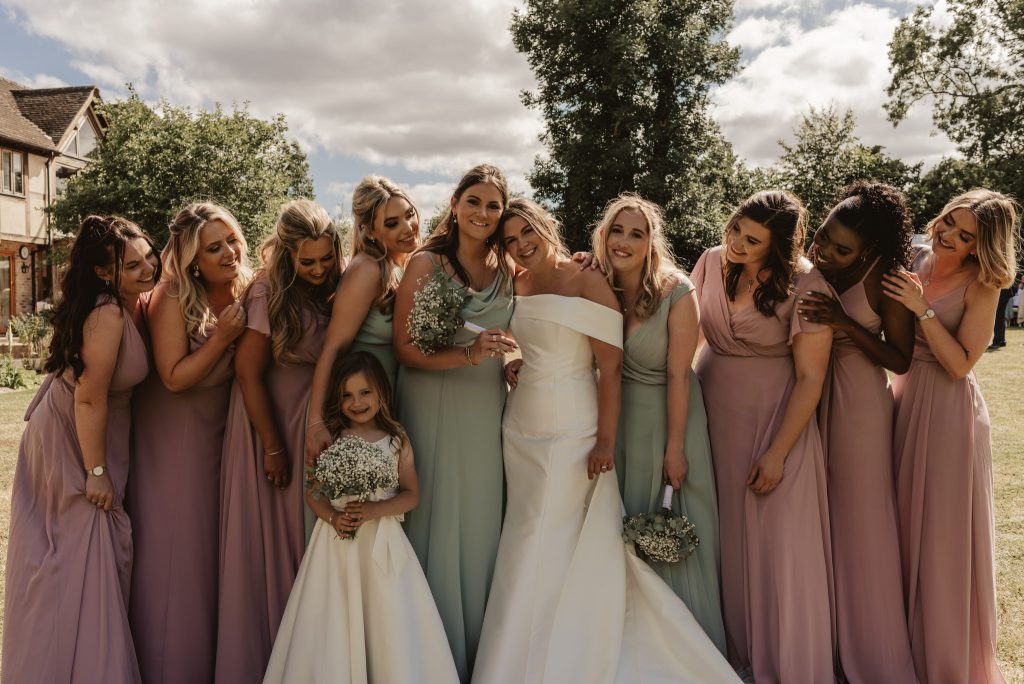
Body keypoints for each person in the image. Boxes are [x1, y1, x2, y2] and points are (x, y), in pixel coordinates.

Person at [473, 198, 740, 684]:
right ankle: (521, 639)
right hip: (522, 426)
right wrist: (508, 361)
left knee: (554, 532)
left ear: (545, 225)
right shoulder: (520, 282)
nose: (520, 244)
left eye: (526, 232)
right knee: (526, 532)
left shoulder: (592, 281)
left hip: (575, 424)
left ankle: (565, 646)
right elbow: (520, 338)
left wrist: (603, 442)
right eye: (509, 240)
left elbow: (610, 369)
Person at [2, 216, 158, 683]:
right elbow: (89, 397)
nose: (149, 268)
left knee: (88, 550)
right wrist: (95, 470)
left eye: (150, 256)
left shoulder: (128, 304)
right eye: (133, 266)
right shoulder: (108, 313)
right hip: (73, 436)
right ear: (105, 273)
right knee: (78, 552)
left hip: (86, 428)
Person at [690, 190, 835, 683]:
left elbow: (812, 378)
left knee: (779, 542)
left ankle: (786, 660)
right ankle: (734, 650)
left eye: (752, 241)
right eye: (734, 229)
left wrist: (777, 452)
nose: (736, 243)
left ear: (777, 246)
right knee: (725, 535)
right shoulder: (710, 261)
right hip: (711, 411)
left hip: (776, 416)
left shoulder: (805, 283)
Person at [883, 188, 1018, 684]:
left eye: (965, 237)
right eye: (949, 223)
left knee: (940, 539)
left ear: (981, 248)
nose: (949, 237)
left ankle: (942, 657)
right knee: (897, 523)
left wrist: (922, 309)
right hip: (900, 399)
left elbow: (962, 365)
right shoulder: (915, 256)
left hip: (947, 413)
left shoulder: (985, 283)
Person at [264, 352, 458, 683]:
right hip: (336, 544)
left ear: (381, 392)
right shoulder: (331, 441)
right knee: (334, 616)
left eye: (365, 392)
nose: (356, 402)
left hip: (380, 544)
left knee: (387, 618)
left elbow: (412, 494)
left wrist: (374, 511)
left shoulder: (396, 440)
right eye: (347, 396)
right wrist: (332, 517)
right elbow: (313, 494)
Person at [392, 164, 516, 681]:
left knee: (482, 519)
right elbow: (404, 347)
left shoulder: (508, 265)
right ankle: (427, 656)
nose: (483, 213)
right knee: (437, 516)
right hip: (432, 398)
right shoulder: (427, 264)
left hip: (486, 408)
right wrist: (467, 356)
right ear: (455, 202)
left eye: (493, 205)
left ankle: (479, 654)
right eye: (474, 202)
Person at [591, 193, 726, 653]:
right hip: (615, 425)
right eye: (617, 231)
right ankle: (631, 644)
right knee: (624, 527)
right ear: (603, 235)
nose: (624, 242)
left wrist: (675, 448)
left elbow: (677, 375)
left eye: (637, 233)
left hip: (669, 421)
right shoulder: (595, 283)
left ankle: (686, 651)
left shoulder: (676, 291)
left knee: (666, 528)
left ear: (651, 242)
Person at [216, 199, 342, 681]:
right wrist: (272, 446)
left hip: (317, 423)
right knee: (282, 543)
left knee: (312, 540)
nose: (316, 269)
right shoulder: (266, 291)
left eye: (324, 258)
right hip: (273, 428)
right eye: (305, 261)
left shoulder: (335, 284)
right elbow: (247, 374)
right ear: (285, 252)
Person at [797, 182, 918, 683]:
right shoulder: (812, 264)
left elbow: (901, 359)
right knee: (819, 518)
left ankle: (872, 652)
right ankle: (825, 640)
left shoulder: (884, 279)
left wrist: (846, 325)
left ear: (866, 250)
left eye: (840, 249)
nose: (824, 250)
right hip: (813, 396)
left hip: (860, 406)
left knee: (861, 525)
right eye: (824, 236)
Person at [128, 202, 251, 684]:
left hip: (222, 440)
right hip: (173, 444)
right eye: (214, 247)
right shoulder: (172, 295)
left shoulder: (246, 288)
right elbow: (173, 377)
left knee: (209, 564)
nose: (229, 252)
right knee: (175, 559)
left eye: (232, 240)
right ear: (192, 258)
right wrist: (221, 340)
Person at [305, 176, 420, 466]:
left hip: (389, 399)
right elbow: (333, 348)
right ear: (370, 232)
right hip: (360, 409)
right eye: (392, 223)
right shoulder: (367, 270)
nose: (408, 227)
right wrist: (316, 422)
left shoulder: (398, 266)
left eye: (409, 215)